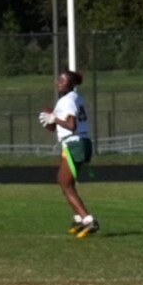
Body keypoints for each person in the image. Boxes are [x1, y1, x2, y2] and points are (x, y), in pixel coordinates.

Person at [41, 67, 96, 237]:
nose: (58, 83)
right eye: (58, 79)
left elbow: (72, 126)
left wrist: (54, 118)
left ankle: (88, 220)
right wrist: (50, 123)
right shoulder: (75, 97)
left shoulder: (67, 101)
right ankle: (80, 219)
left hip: (75, 144)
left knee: (65, 184)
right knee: (66, 182)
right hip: (80, 143)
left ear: (70, 83)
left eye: (62, 80)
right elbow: (62, 126)